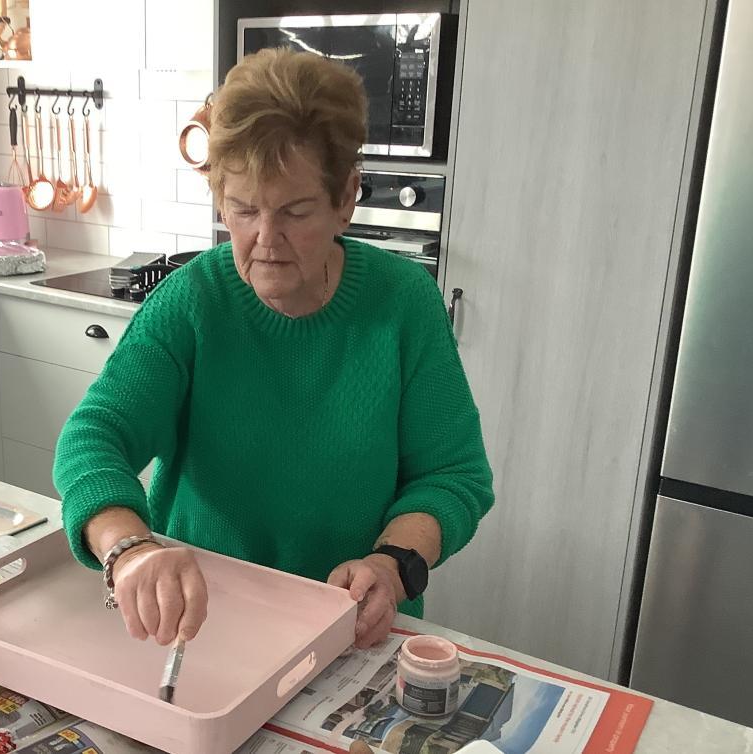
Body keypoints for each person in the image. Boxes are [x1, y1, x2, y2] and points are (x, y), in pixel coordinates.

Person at [53, 47, 494, 650]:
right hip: (207, 619)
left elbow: (452, 475)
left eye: (295, 211)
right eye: (243, 209)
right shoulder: (193, 300)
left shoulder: (404, 303)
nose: (265, 239)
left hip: (352, 626)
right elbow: (94, 437)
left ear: (346, 199)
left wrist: (393, 566)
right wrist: (129, 550)